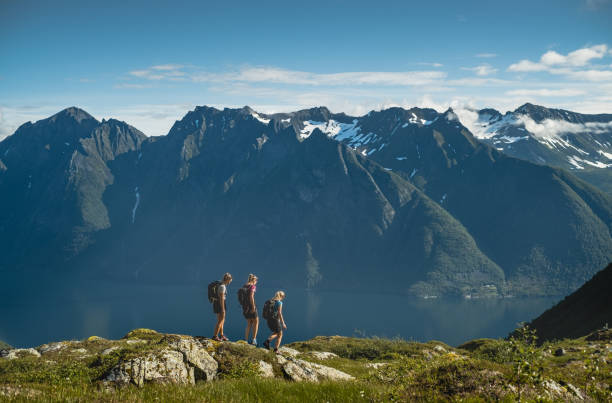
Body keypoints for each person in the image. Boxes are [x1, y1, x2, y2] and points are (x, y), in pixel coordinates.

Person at [212, 273, 232, 341]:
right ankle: (215, 336)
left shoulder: (219, 284)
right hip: (220, 304)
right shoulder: (222, 286)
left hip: (216, 303)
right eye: (230, 280)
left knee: (221, 320)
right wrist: (223, 309)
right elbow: (221, 298)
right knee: (220, 320)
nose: (230, 282)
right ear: (228, 279)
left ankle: (221, 335)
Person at [242, 274, 259, 346]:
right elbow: (251, 296)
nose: (256, 282)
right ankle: (254, 340)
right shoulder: (252, 286)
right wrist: (253, 307)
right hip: (251, 306)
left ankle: (245, 340)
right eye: (256, 280)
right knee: (256, 321)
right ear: (254, 280)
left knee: (249, 323)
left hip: (245, 307)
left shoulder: (244, 286)